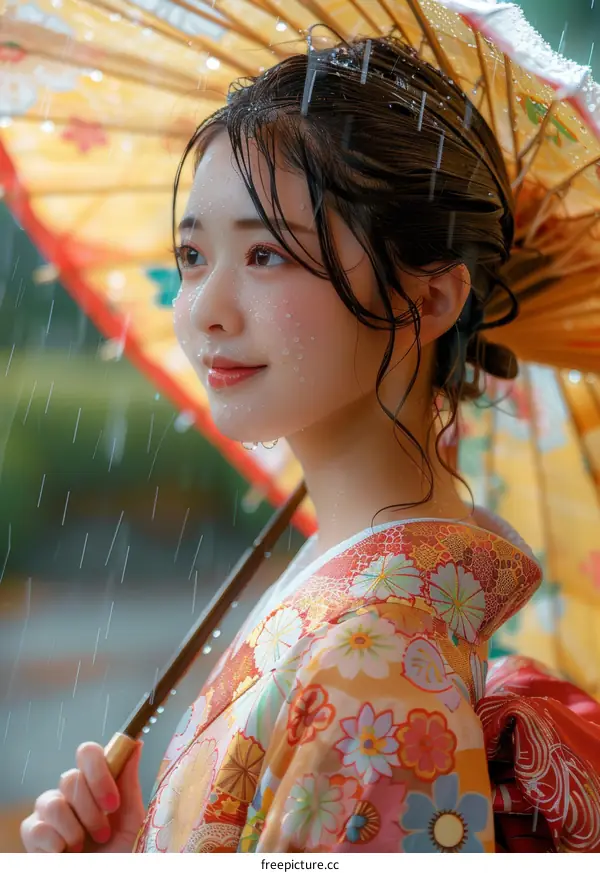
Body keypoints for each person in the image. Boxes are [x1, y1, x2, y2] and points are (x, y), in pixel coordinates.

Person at [21, 34, 600, 854]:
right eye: (192, 255)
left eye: (265, 254)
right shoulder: (357, 608)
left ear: (429, 298)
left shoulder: (380, 668)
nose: (206, 309)